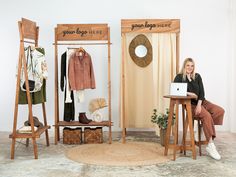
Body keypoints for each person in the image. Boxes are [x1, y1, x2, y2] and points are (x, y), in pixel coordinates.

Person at [174, 58, 224, 160]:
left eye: (192, 66)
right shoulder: (179, 77)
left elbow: (202, 92)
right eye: (188, 65)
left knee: (220, 111)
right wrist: (189, 94)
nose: (190, 68)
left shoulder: (197, 76)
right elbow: (175, 91)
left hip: (201, 102)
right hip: (190, 104)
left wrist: (199, 104)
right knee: (206, 116)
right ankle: (210, 144)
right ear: (184, 66)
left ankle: (202, 128)